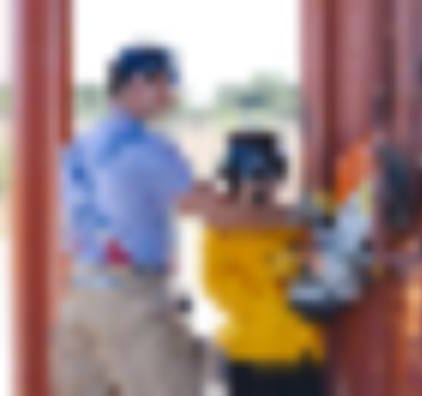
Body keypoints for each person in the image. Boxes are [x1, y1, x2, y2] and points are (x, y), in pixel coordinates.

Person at [54, 44, 199, 396]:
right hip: (132, 300)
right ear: (138, 83)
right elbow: (204, 207)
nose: (171, 94)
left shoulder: (81, 146)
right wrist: (292, 216)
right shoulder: (147, 147)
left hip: (81, 297)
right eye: (166, 82)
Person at [183, 131, 325, 396]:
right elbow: (219, 288)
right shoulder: (220, 231)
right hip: (252, 355)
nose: (263, 186)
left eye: (269, 177)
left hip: (303, 354)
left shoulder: (296, 226)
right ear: (235, 179)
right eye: (255, 177)